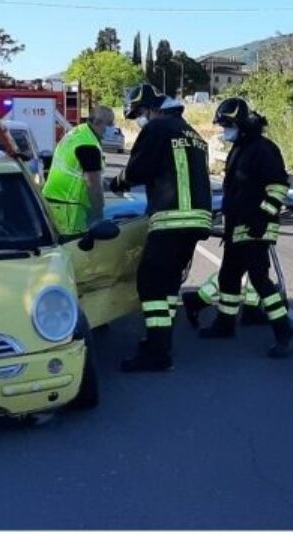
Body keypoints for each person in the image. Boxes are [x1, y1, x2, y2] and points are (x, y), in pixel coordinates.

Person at [107, 83, 212, 372]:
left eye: (139, 113)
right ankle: (159, 342)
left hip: (171, 218)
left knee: (150, 281)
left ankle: (156, 353)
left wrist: (115, 182)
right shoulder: (193, 133)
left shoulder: (156, 129)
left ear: (151, 108)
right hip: (197, 220)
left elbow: (139, 169)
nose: (139, 119)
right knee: (168, 284)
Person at [184, 97, 293, 358]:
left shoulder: (263, 149)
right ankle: (225, 324)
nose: (225, 131)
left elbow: (278, 186)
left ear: (242, 124)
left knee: (260, 281)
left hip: (256, 226)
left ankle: (285, 333)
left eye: (227, 126)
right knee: (229, 277)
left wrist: (262, 217)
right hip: (238, 225)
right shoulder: (241, 147)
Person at [41, 105, 115, 234]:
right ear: (98, 123)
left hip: (55, 202)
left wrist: (111, 186)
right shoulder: (88, 145)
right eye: (109, 124)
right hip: (70, 208)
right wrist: (99, 214)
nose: (112, 128)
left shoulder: (78, 132)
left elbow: (77, 172)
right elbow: (93, 185)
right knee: (72, 249)